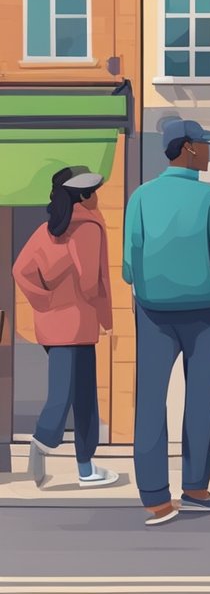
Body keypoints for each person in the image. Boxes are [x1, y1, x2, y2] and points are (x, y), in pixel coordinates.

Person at [123, 118, 210, 526]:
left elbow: (128, 262)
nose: (209, 151)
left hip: (153, 308)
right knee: (202, 396)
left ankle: (155, 498)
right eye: (204, 144)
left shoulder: (140, 196)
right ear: (188, 147)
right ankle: (195, 486)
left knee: (151, 399)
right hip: (207, 310)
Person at [13, 167, 119, 489]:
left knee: (74, 393)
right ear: (83, 196)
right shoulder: (88, 227)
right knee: (77, 397)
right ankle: (46, 444)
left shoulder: (47, 230)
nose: (98, 196)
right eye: (94, 190)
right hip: (78, 323)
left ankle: (85, 468)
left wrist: (45, 299)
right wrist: (105, 317)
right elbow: (91, 282)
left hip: (54, 325)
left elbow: (20, 270)